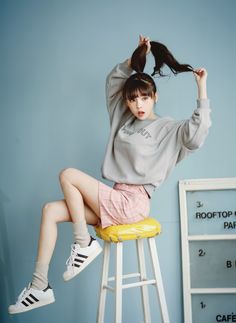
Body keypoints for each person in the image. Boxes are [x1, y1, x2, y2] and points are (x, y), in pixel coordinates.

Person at [8, 35, 211, 314]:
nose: (139, 104)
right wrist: (137, 55)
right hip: (115, 197)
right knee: (50, 210)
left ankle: (84, 243)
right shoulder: (123, 119)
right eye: (133, 99)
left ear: (155, 98)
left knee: (68, 174)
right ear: (126, 102)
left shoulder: (169, 129)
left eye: (145, 98)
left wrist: (201, 90)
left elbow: (197, 136)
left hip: (133, 203)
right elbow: (113, 81)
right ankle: (39, 286)